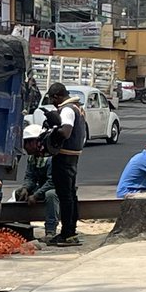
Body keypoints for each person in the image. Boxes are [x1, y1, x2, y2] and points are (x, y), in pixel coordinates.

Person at [42, 82, 86, 246]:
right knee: (71, 196)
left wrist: (54, 129)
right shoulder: (78, 108)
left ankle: (67, 234)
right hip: (73, 156)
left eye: (53, 100)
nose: (53, 103)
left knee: (65, 196)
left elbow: (66, 132)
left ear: (57, 96)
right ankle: (71, 232)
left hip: (64, 156)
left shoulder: (67, 110)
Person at [15, 123, 59, 240]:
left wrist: (36, 195)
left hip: (57, 189)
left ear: (36, 142)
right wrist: (26, 188)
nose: (25, 147)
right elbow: (30, 177)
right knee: (19, 193)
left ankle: (50, 231)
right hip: (41, 188)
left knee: (51, 195)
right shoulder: (32, 158)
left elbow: (52, 181)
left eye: (27, 143)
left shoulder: (51, 157)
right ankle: (24, 228)